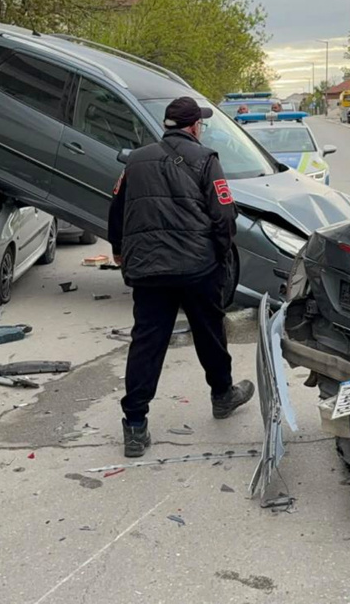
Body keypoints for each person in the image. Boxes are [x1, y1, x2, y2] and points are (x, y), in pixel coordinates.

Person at [108, 96, 256, 458]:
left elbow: (117, 207)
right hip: (197, 268)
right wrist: (219, 255)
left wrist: (119, 250)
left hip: (147, 269)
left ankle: (136, 424)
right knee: (209, 332)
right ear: (194, 127)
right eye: (201, 124)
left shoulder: (136, 160)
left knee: (147, 342)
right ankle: (222, 396)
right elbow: (223, 216)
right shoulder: (205, 160)